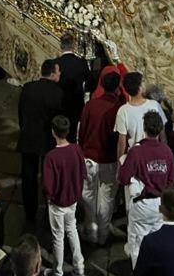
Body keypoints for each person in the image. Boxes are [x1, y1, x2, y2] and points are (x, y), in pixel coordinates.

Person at [118, 110, 174, 267]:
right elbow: (171, 180)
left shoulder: (137, 152)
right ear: (160, 130)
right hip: (161, 205)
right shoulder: (167, 151)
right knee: (157, 243)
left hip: (142, 204)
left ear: (144, 128)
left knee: (136, 245)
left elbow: (123, 178)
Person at [78, 69, 121, 245]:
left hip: (89, 157)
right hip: (109, 160)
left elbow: (82, 131)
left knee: (88, 193)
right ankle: (103, 233)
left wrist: (82, 149)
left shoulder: (91, 105)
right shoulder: (119, 109)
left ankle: (91, 228)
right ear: (118, 88)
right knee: (107, 196)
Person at [16, 59, 63, 221]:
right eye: (58, 72)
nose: (60, 74)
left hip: (28, 138)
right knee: (48, 176)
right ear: (52, 74)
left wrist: (24, 129)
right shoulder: (58, 93)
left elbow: (21, 113)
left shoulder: (28, 88)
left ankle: (30, 212)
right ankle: (49, 207)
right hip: (48, 140)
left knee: (28, 176)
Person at [41, 115, 86, 276]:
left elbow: (47, 185)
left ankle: (58, 271)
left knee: (58, 237)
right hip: (72, 200)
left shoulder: (51, 157)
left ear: (53, 132)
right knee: (72, 229)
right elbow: (83, 173)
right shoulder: (76, 150)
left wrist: (49, 196)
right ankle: (79, 266)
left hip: (57, 203)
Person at [114, 70, 166, 161]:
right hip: (154, 157)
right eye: (143, 82)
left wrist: (119, 164)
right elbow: (163, 135)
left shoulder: (123, 111)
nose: (145, 84)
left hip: (135, 158)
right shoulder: (154, 105)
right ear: (139, 88)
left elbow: (122, 143)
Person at [56, 32, 90, 139]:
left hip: (60, 102)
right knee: (73, 131)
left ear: (61, 46)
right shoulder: (82, 63)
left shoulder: (56, 63)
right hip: (76, 102)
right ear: (74, 46)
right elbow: (90, 82)